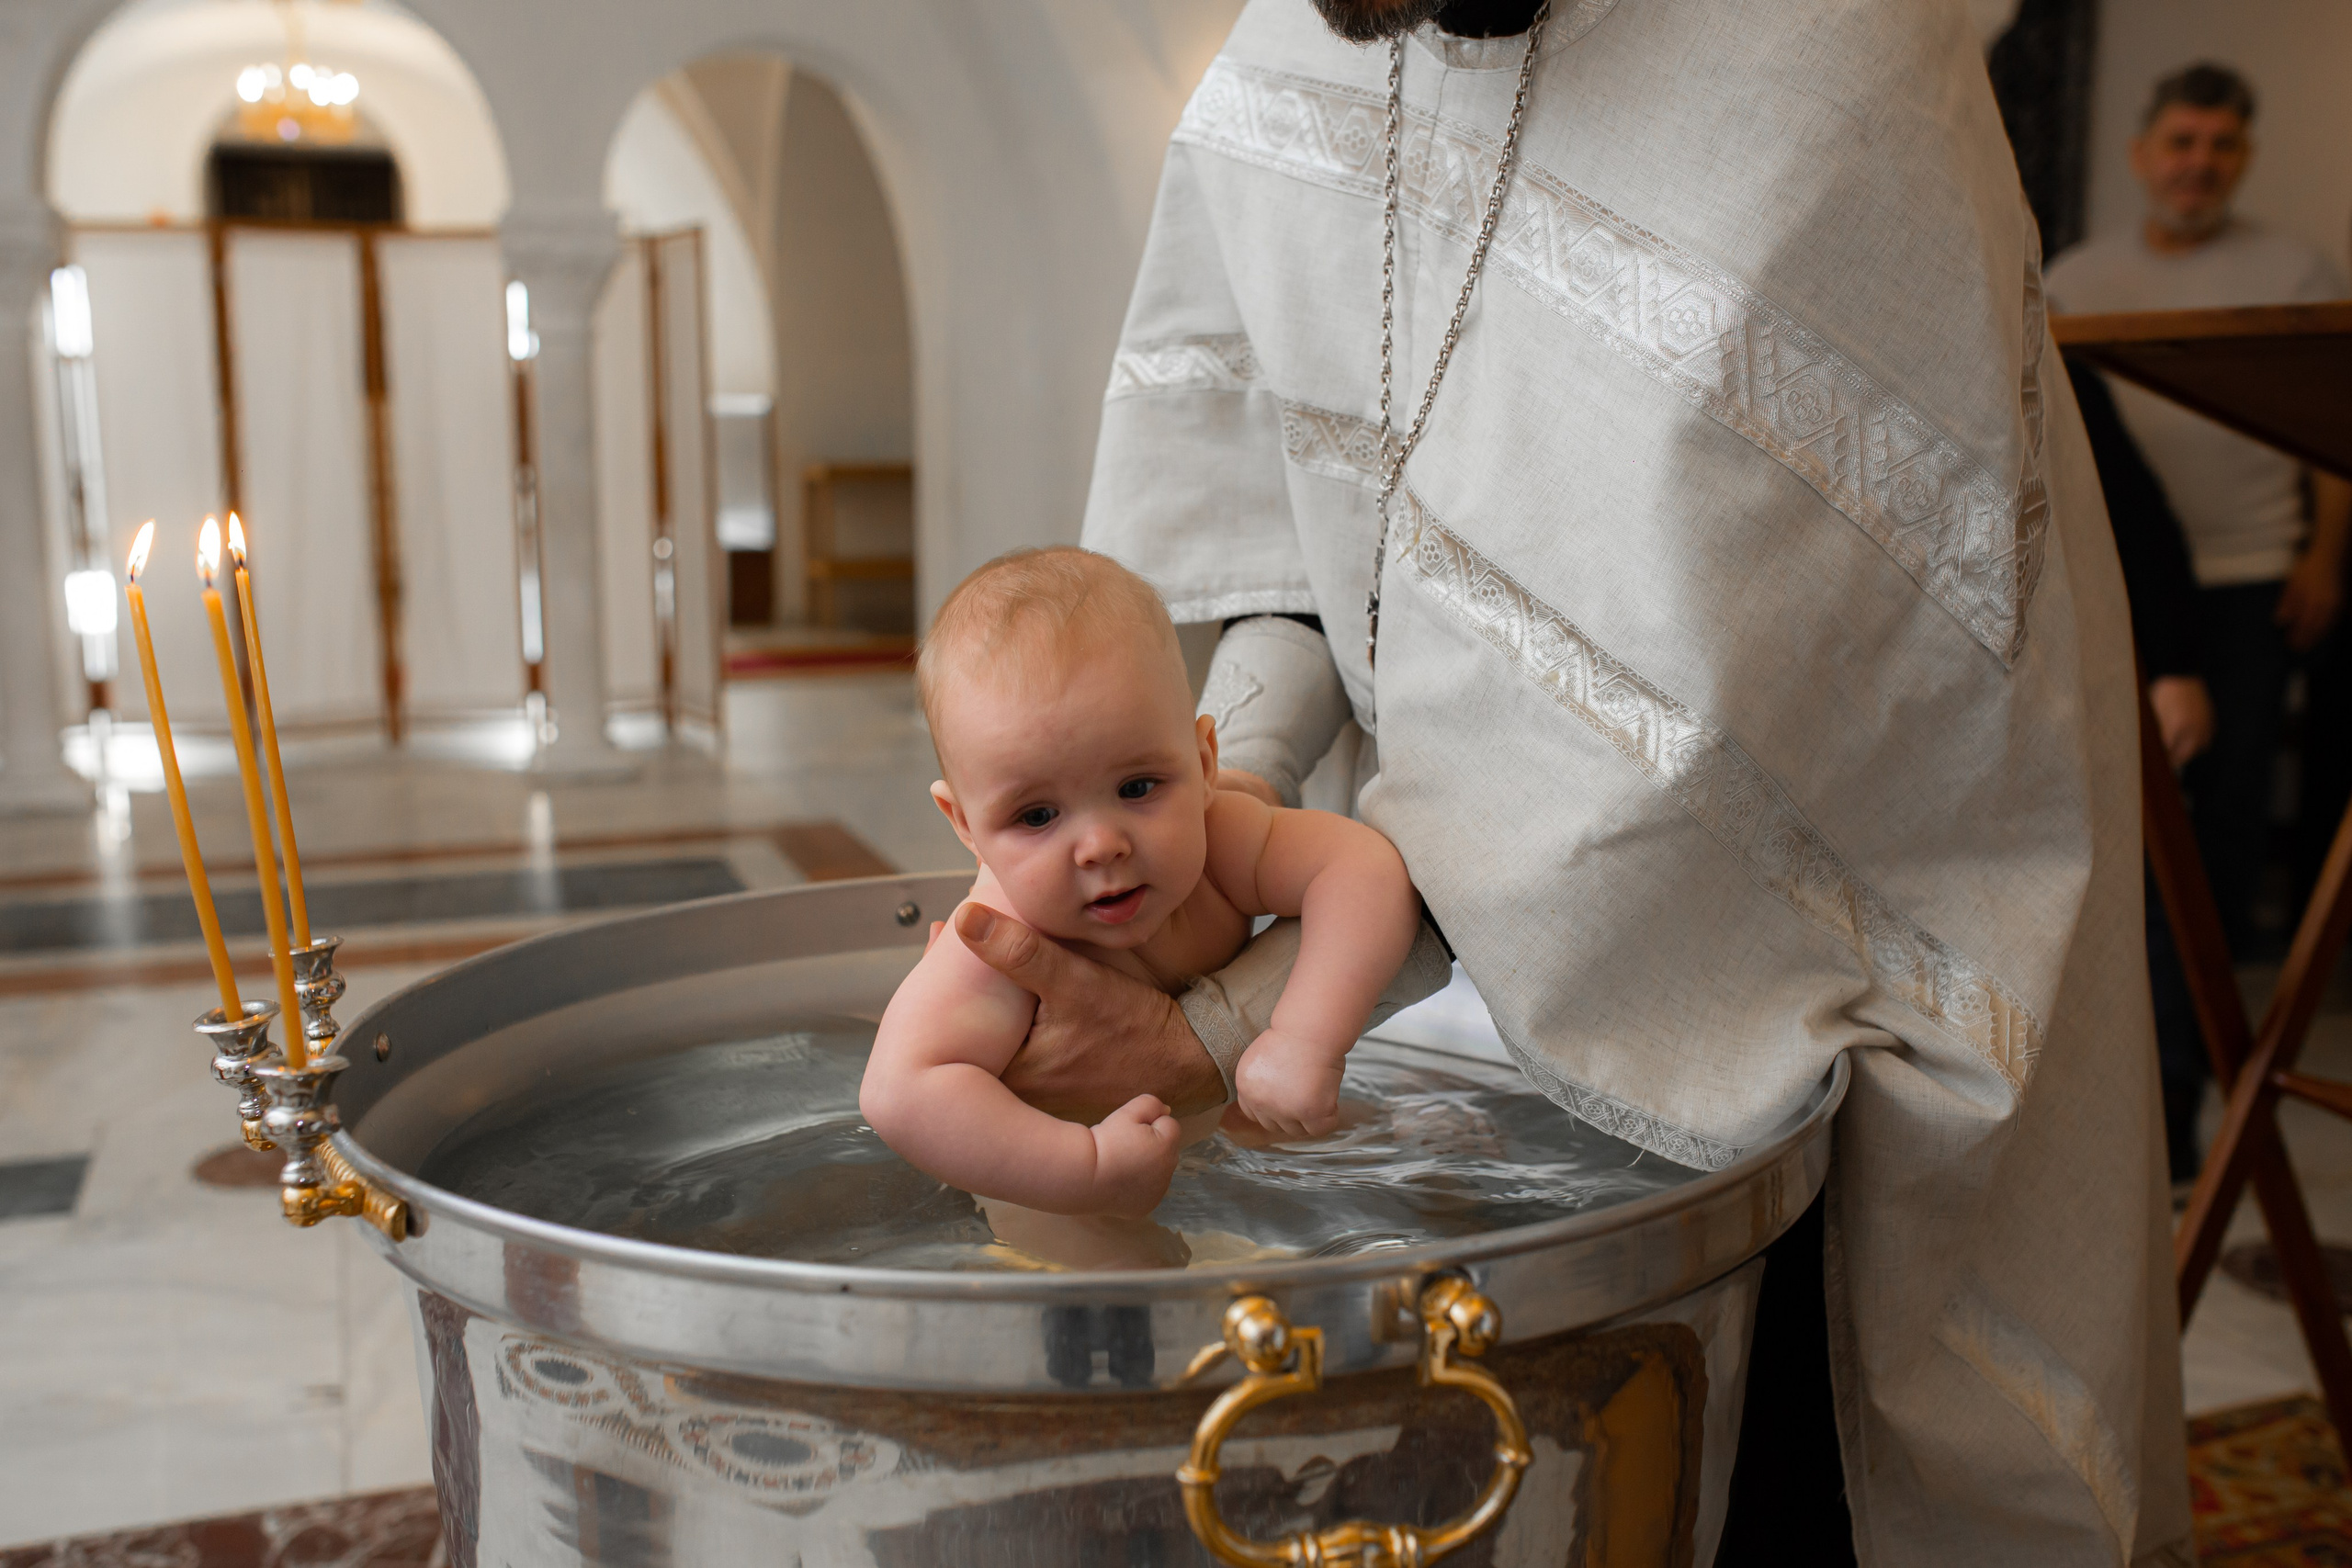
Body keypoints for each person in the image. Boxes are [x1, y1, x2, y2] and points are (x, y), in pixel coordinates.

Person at [962, 0, 2190, 1561]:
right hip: (1456, 974)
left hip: (1809, 1005)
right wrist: (1204, 820)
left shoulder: (1825, 58)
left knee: (1779, 1494)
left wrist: (1222, 1019)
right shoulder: (1296, 51)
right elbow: (1269, 522)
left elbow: (1696, 754)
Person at [862, 547, 1423, 1215]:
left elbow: (1363, 867)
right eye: (1037, 815)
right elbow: (901, 1090)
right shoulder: (997, 943)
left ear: (1204, 759)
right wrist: (1086, 1166)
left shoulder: (1220, 839)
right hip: (1054, 1181)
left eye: (1137, 786)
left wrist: (1304, 1038)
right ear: (965, 825)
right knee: (1109, 1279)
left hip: (1209, 1127)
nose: (1102, 845)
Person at [2047, 62, 2352, 964]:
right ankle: (2130, 992)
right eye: (2181, 142)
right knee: (2113, 794)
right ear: (2142, 154)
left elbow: (2333, 429)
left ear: (2245, 157)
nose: (2199, 163)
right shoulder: (2075, 278)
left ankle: (2210, 998)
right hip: (2122, 577)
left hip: (2251, 573)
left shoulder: (2296, 271)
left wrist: (2323, 557)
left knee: (2232, 791)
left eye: (2221, 146)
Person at [2067, 355, 2217, 1185]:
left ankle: (2169, 1133)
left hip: (2101, 669)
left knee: (2152, 893)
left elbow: (2143, 526)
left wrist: (2174, 667)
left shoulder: (2057, 368)